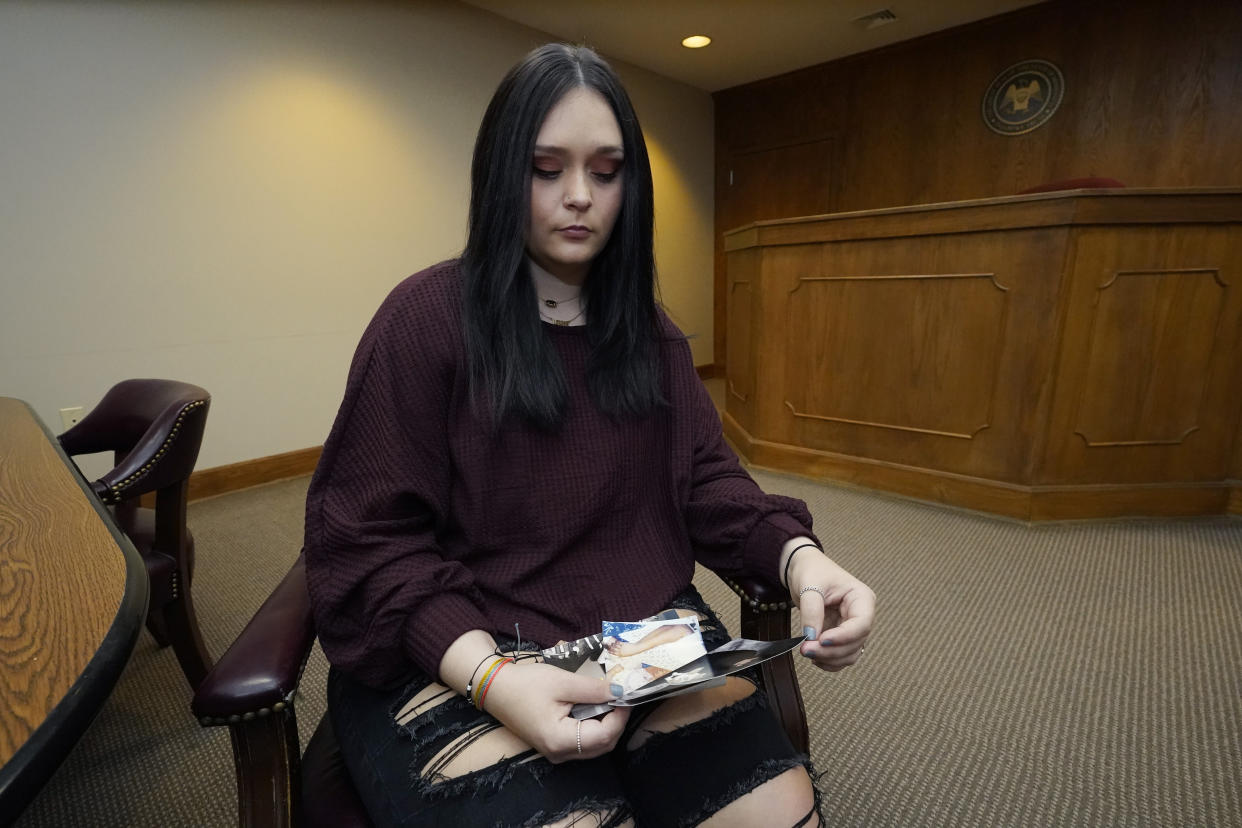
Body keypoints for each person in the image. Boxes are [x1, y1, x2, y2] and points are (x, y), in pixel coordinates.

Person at [304, 42, 875, 828]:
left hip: (635, 639)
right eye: (547, 168)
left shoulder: (651, 335)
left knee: (783, 813)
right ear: (503, 173)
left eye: (605, 172)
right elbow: (370, 547)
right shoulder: (422, 322)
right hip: (459, 649)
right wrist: (497, 680)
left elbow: (706, 479)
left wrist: (802, 560)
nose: (580, 196)